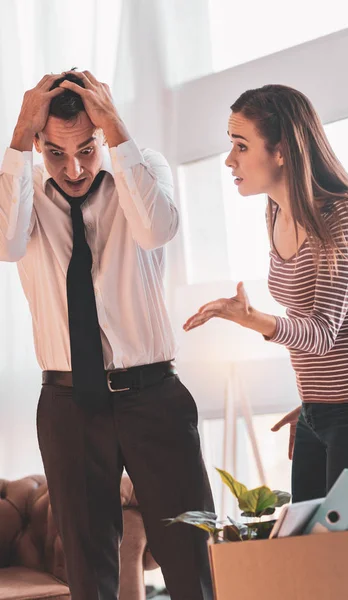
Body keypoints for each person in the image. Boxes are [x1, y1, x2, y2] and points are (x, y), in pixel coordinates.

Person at [0, 70, 214, 600]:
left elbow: (156, 229)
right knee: (88, 566)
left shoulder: (143, 171)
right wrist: (19, 137)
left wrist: (116, 129)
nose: (72, 168)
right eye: (54, 153)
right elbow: (5, 243)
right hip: (69, 403)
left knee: (192, 554)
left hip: (154, 397)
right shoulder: (23, 194)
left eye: (87, 148)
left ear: (104, 133)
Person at [183, 83, 348, 503]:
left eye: (241, 146)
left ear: (281, 150)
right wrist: (315, 407)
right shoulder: (276, 210)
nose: (230, 160)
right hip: (318, 412)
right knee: (309, 556)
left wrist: (251, 319)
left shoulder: (345, 214)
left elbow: (321, 333)